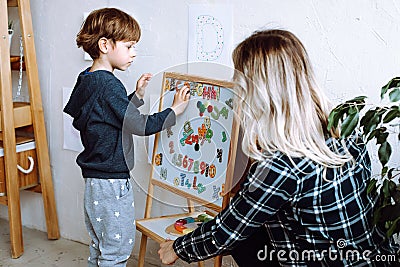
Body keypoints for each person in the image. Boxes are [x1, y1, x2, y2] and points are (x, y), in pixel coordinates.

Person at [158, 29, 399, 266]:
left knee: (239, 235)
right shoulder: (344, 125)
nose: (234, 85)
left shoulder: (281, 164)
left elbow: (228, 231)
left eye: (240, 80)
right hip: (371, 256)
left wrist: (177, 248)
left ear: (261, 92)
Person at [63, 8, 190, 267]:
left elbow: (108, 116)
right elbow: (139, 125)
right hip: (111, 181)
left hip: (94, 181)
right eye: (130, 46)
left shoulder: (87, 80)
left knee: (101, 247)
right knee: (117, 250)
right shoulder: (109, 85)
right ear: (105, 45)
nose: (134, 53)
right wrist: (174, 111)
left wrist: (138, 96)